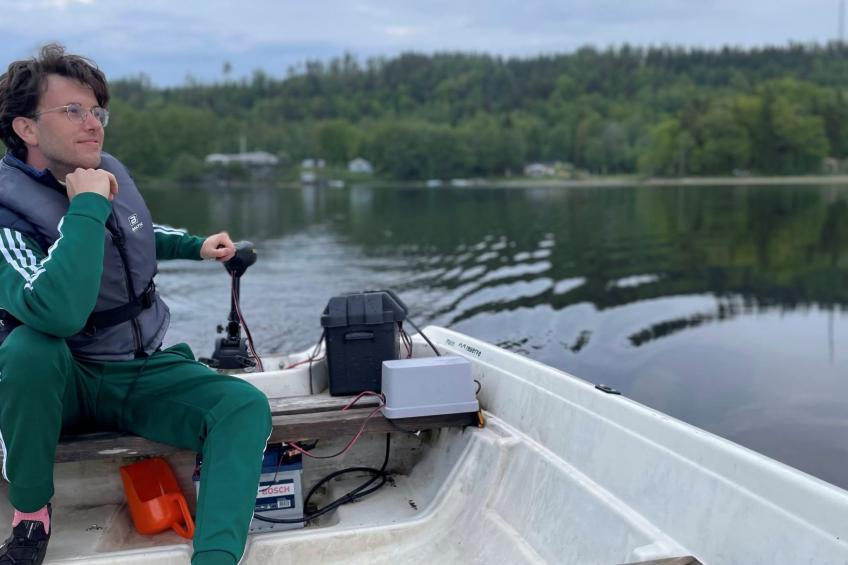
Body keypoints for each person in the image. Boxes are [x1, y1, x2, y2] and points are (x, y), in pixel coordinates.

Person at [0, 44, 271, 565]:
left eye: (97, 111)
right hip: (64, 382)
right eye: (72, 111)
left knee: (242, 405)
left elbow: (136, 232)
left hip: (137, 367)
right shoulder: (7, 213)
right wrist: (85, 205)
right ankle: (31, 515)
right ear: (27, 129)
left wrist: (193, 244)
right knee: (27, 350)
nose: (93, 124)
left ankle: (215, 557)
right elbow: (51, 307)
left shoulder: (105, 171)